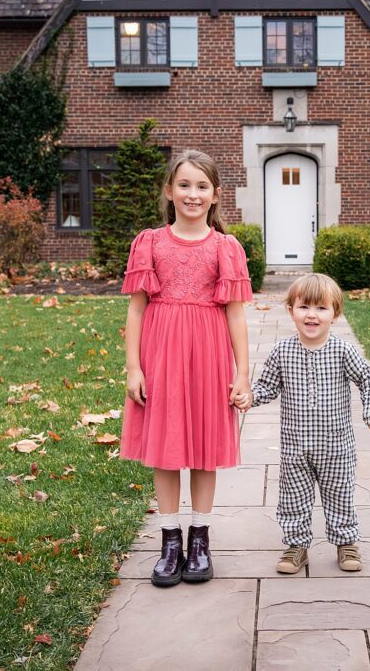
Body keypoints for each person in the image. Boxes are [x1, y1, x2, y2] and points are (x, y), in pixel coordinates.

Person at [121, 149, 253, 587]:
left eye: (201, 186)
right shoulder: (150, 242)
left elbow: (235, 314)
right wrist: (133, 369)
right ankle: (170, 541)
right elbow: (137, 311)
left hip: (208, 353)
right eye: (184, 185)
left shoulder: (224, 247)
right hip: (161, 354)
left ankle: (199, 540)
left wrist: (242, 372)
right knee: (166, 447)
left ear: (215, 195)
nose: (192, 194)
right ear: (168, 191)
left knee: (201, 446)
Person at [239, 273, 370, 574]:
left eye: (321, 308)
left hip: (337, 447)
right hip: (295, 447)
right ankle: (297, 546)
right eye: (304, 307)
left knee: (340, 495)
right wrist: (249, 397)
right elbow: (267, 387)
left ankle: (346, 543)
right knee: (293, 498)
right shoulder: (282, 351)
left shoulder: (343, 350)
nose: (312, 315)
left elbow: (369, 380)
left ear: (335, 314)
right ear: (291, 310)